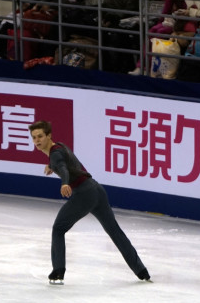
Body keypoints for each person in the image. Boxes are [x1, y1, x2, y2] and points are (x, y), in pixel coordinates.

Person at [28, 120, 150, 284]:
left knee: (58, 229)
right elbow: (64, 160)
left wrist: (64, 183)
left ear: (49, 136)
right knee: (115, 232)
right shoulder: (59, 146)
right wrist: (51, 165)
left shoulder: (55, 155)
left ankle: (58, 271)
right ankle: (141, 271)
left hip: (84, 194)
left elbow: (63, 167)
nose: (37, 140)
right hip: (97, 190)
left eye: (40, 136)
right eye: (34, 137)